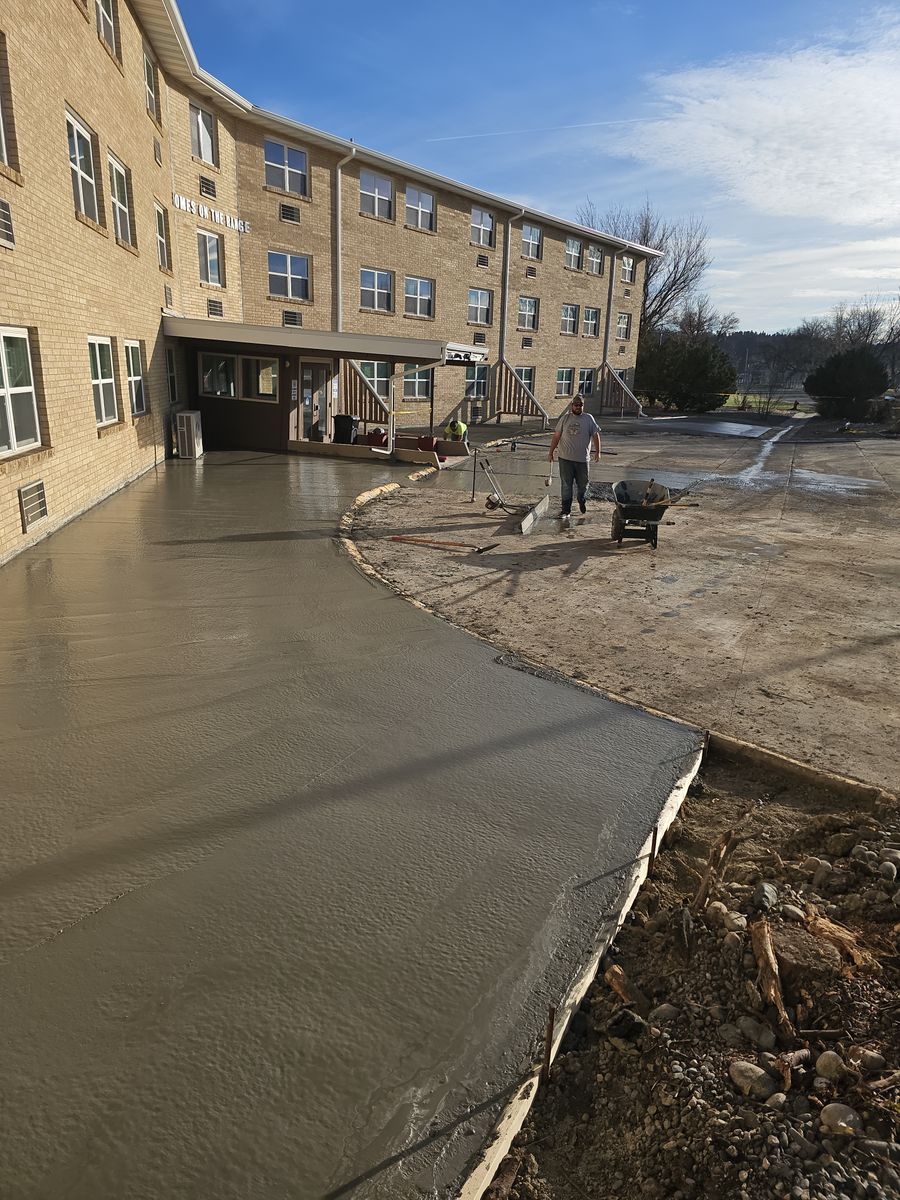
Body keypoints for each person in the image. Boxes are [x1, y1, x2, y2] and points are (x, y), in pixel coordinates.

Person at [547, 395, 600, 519]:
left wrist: (598, 451)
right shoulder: (565, 419)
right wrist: (551, 452)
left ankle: (581, 498)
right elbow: (556, 436)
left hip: (582, 459)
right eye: (576, 405)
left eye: (580, 405)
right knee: (566, 484)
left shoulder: (588, 419)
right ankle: (566, 510)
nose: (578, 407)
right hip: (565, 458)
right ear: (572, 406)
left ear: (583, 406)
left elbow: (595, 435)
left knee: (583, 484)